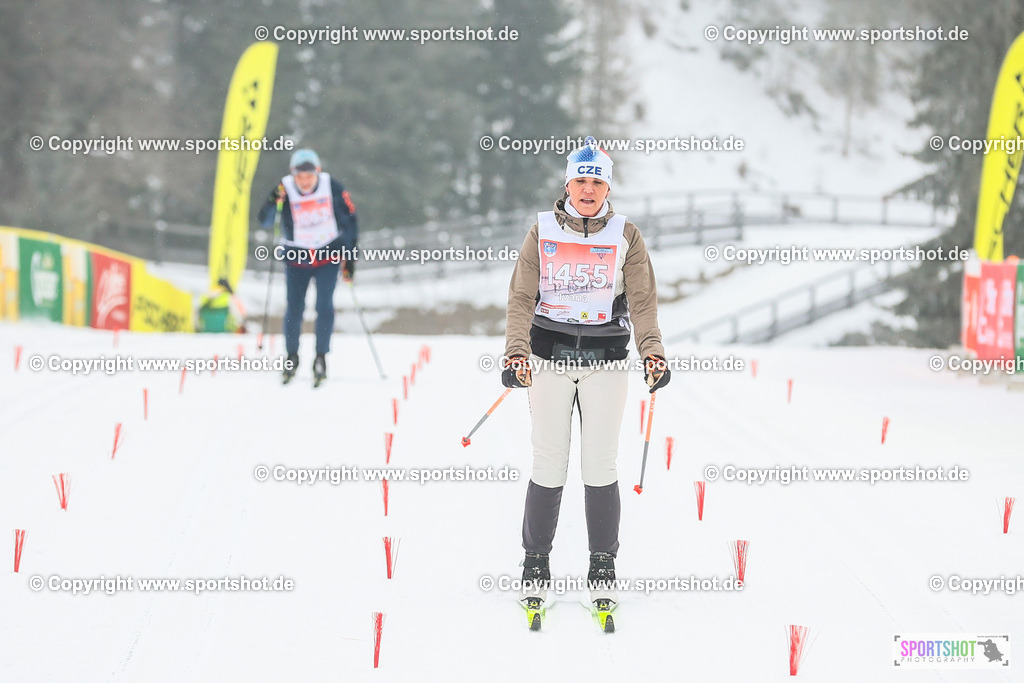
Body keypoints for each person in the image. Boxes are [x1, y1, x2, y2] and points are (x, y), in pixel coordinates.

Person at [502, 136, 671, 631]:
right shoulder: (542, 231)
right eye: (581, 179)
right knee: (549, 461)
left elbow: (642, 303)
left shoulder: (626, 235)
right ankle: (536, 565)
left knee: (600, 464)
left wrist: (653, 351)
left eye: (597, 181)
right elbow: (520, 297)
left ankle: (603, 566)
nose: (588, 189)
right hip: (548, 358)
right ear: (567, 183)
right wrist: (515, 351)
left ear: (608, 186)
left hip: (606, 361)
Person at [258, 148, 358, 385]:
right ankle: (291, 356)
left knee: (324, 307)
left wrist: (350, 258)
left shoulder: (332, 187)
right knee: (294, 308)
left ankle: (321, 358)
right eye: (299, 176)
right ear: (293, 174)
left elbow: (351, 222)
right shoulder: (283, 189)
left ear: (317, 172)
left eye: (308, 176)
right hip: (296, 258)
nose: (303, 181)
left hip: (327, 256)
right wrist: (274, 201)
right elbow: (264, 220)